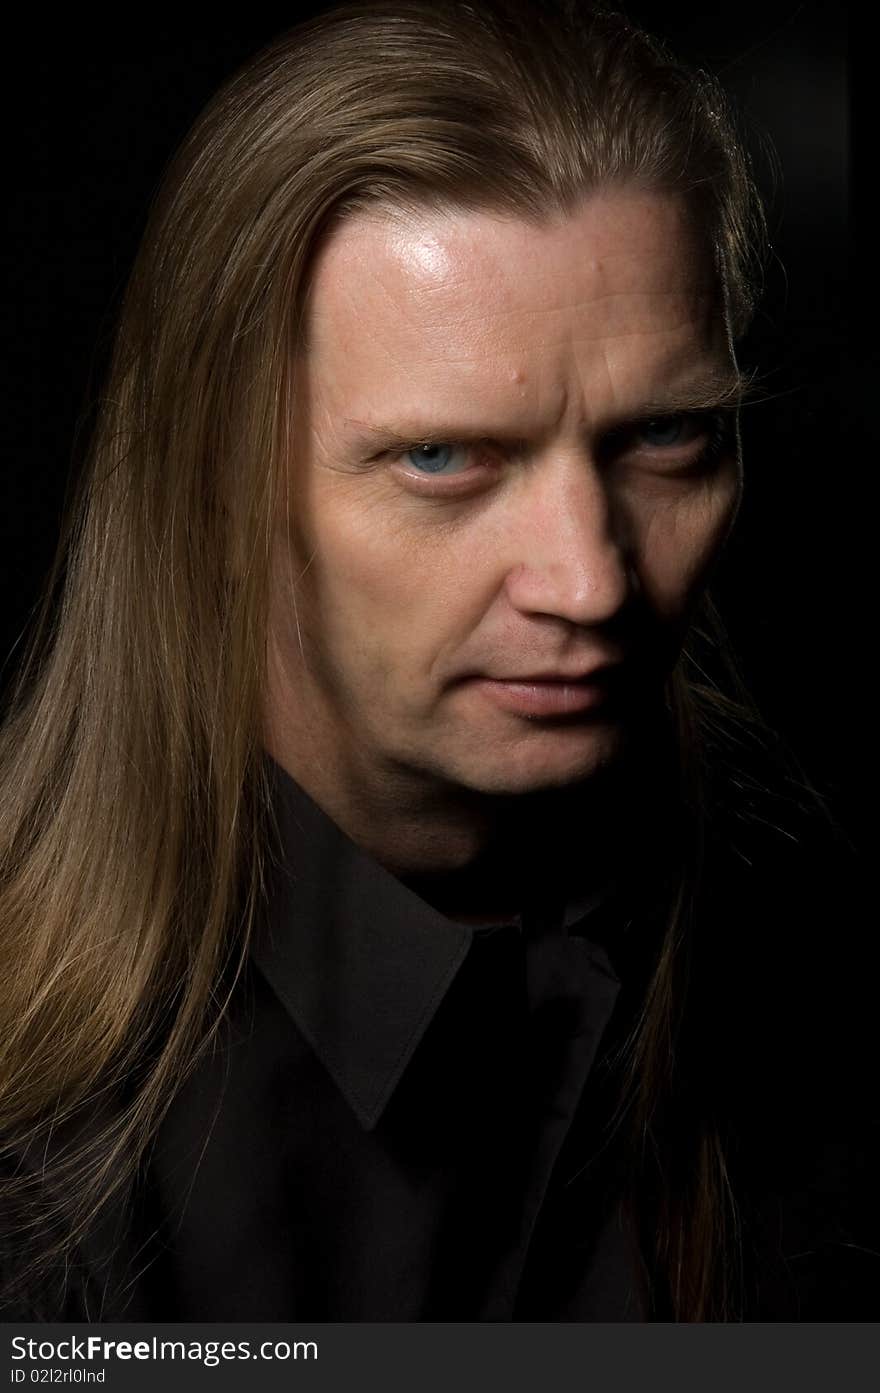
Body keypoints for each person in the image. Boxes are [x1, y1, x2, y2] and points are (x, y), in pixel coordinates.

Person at [0, 0, 874, 1323]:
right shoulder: (44, 1179)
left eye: (667, 439)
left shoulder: (808, 987)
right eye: (443, 457)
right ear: (214, 487)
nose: (590, 581)